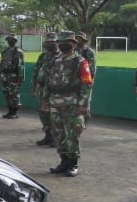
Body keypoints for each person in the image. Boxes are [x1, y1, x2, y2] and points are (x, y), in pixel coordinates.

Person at [42, 30, 93, 176]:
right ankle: (63, 161)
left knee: (72, 134)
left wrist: (84, 104)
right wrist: (45, 100)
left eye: (68, 42)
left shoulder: (81, 61)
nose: (64, 44)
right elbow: (48, 82)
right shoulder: (54, 60)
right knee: (58, 134)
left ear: (74, 44)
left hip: (73, 103)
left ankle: (73, 164)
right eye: (61, 42)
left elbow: (86, 84)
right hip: (55, 102)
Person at [31, 32, 58, 146]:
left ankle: (56, 139)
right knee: (43, 113)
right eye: (47, 42)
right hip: (42, 90)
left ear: (57, 43)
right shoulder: (43, 56)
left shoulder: (60, 56)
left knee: (54, 115)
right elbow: (36, 71)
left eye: (52, 42)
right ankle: (48, 136)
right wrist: (33, 86)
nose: (49, 44)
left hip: (55, 91)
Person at [0, 33, 25, 119]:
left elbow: (21, 66)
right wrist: (1, 75)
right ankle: (10, 111)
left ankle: (15, 111)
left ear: (15, 41)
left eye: (12, 40)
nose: (10, 41)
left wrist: (20, 78)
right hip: (5, 76)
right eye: (9, 40)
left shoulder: (18, 52)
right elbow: (2, 64)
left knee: (14, 94)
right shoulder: (5, 51)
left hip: (14, 76)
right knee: (7, 94)